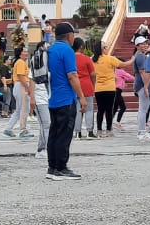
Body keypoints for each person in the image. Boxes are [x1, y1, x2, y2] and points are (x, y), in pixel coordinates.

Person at [44, 22, 85, 180]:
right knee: (64, 134)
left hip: (52, 98)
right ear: (69, 35)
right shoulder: (67, 50)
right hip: (66, 98)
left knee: (54, 134)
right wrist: (81, 97)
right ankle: (61, 168)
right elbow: (72, 75)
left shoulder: (51, 49)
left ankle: (52, 167)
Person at [91, 40, 123, 136]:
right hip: (109, 88)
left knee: (100, 110)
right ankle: (109, 130)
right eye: (106, 47)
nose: (107, 49)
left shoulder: (92, 59)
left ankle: (99, 130)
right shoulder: (110, 59)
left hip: (98, 88)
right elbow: (123, 64)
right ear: (103, 49)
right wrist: (133, 59)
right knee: (109, 110)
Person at [2, 46, 33, 139]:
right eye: (24, 51)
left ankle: (8, 128)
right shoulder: (20, 62)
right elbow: (20, 76)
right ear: (20, 53)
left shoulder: (20, 62)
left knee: (19, 110)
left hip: (19, 86)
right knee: (24, 109)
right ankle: (23, 129)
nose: (26, 53)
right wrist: (28, 87)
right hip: (21, 86)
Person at [72, 37, 97, 138]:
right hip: (87, 85)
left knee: (77, 110)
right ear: (81, 47)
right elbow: (93, 74)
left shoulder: (70, 58)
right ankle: (89, 131)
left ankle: (77, 132)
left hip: (74, 86)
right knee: (89, 109)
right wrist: (93, 84)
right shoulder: (86, 58)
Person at [131, 35, 150, 141]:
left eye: (146, 43)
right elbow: (142, 72)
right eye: (143, 44)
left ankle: (142, 131)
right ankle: (141, 132)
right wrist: (146, 87)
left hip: (140, 84)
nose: (145, 45)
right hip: (141, 84)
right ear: (137, 45)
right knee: (143, 110)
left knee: (143, 109)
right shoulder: (140, 56)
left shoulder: (140, 55)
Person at [113, 64, 132, 131]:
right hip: (117, 91)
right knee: (123, 107)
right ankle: (117, 122)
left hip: (113, 90)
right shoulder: (121, 71)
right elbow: (130, 77)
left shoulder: (114, 70)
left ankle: (109, 123)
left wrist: (123, 79)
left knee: (115, 107)